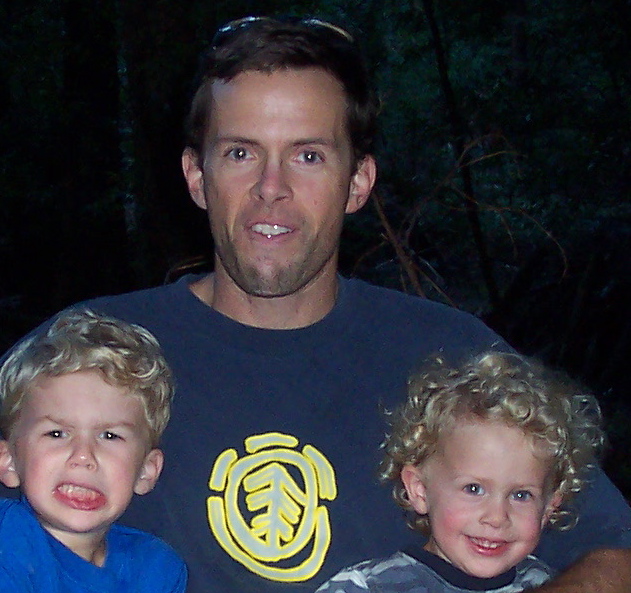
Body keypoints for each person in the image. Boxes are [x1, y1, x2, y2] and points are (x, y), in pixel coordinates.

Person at [1, 14, 630, 593]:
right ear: (196, 176)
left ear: (357, 182)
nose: (271, 188)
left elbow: (615, 550)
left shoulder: (454, 359)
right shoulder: (83, 356)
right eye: (241, 153)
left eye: (308, 156)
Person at [315, 353, 604, 593]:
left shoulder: (549, 584)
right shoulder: (366, 587)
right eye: (473, 489)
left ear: (549, 507)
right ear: (419, 490)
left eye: (521, 495)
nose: (496, 517)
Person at [0, 309, 187, 591]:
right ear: (9, 461)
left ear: (146, 471)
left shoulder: (157, 570)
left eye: (110, 436)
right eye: (57, 433)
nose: (83, 456)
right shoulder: (8, 545)